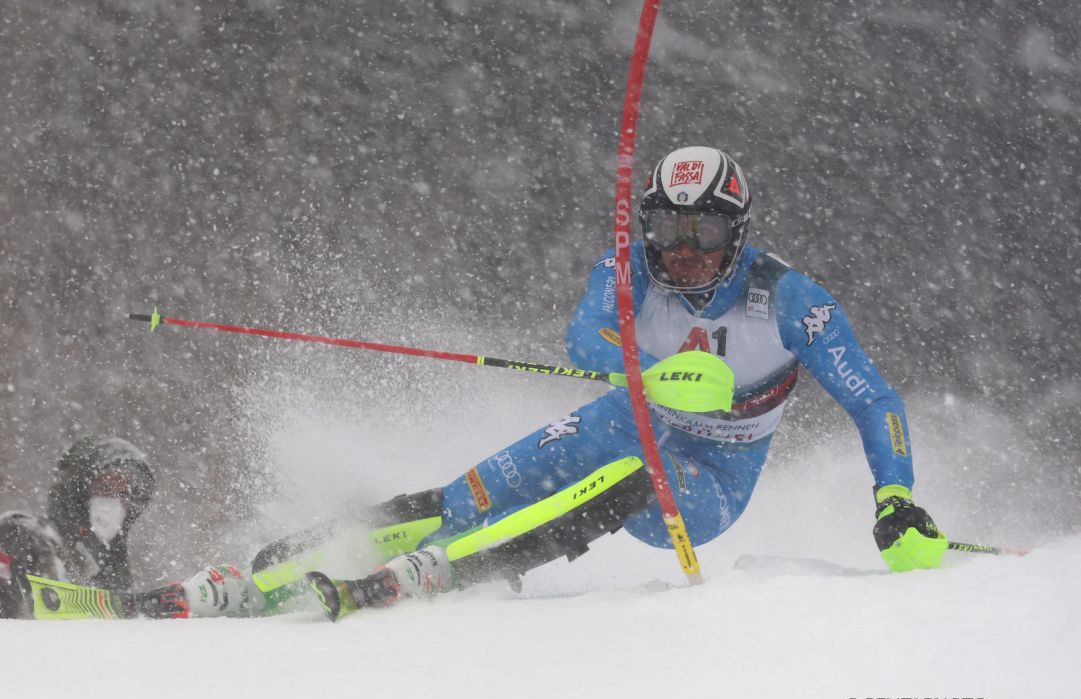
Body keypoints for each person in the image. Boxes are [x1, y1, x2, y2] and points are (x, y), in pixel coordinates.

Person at [102, 146, 950, 620]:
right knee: (473, 488)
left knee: (618, 482)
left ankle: (449, 572)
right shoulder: (629, 271)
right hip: (625, 415)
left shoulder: (787, 298)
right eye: (667, 227)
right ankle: (275, 564)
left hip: (710, 481)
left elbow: (873, 399)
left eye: (705, 229)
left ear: (738, 228)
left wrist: (894, 499)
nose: (684, 248)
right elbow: (585, 334)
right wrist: (654, 372)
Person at [0, 436, 156, 618]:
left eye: (124, 493)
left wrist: (155, 606)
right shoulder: (27, 536)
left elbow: (115, 635)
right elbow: (51, 612)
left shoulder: (112, 567)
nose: (115, 501)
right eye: (105, 487)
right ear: (77, 494)